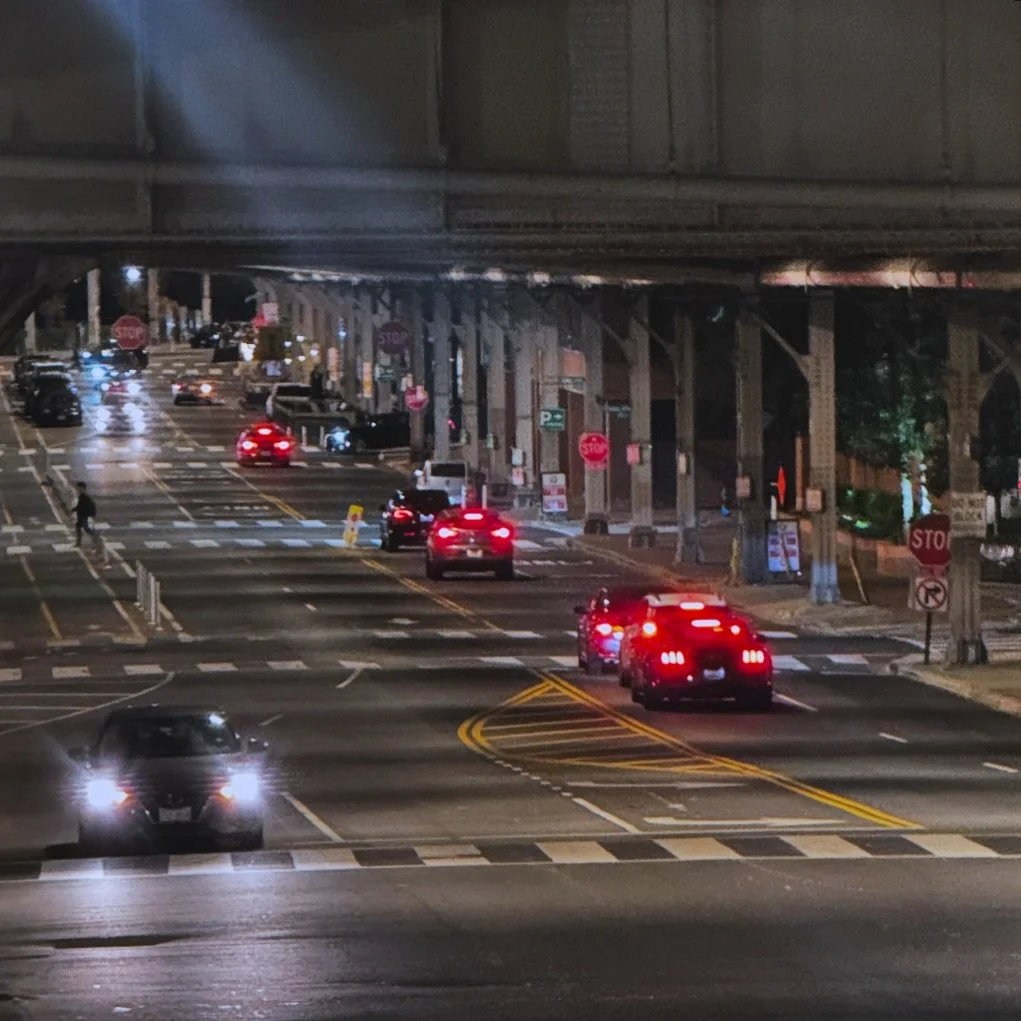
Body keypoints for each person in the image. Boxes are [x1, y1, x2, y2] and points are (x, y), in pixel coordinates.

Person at [72, 482, 100, 550]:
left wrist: (74, 509)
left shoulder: (84, 497)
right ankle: (78, 542)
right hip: (81, 515)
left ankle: (96, 538)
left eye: (79, 488)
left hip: (83, 515)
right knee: (79, 528)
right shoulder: (82, 496)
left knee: (86, 528)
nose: (77, 489)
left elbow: (81, 506)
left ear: (82, 488)